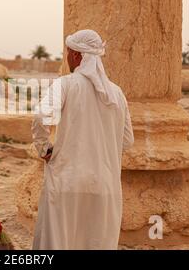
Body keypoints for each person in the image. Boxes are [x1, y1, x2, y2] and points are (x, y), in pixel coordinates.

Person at [32, 29, 134, 250]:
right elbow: (127, 140)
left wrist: (45, 149)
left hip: (66, 182)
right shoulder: (117, 94)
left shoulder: (66, 84)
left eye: (68, 53)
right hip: (104, 186)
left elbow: (41, 117)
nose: (68, 58)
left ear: (77, 56)